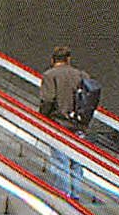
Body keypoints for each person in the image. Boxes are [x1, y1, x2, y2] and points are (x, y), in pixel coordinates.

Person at [37, 45, 89, 200]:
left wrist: (42, 118)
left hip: (59, 125)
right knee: (76, 163)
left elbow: (47, 100)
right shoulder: (81, 75)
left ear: (53, 60)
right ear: (68, 59)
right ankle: (76, 195)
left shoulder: (50, 76)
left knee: (61, 162)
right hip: (78, 125)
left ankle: (63, 196)